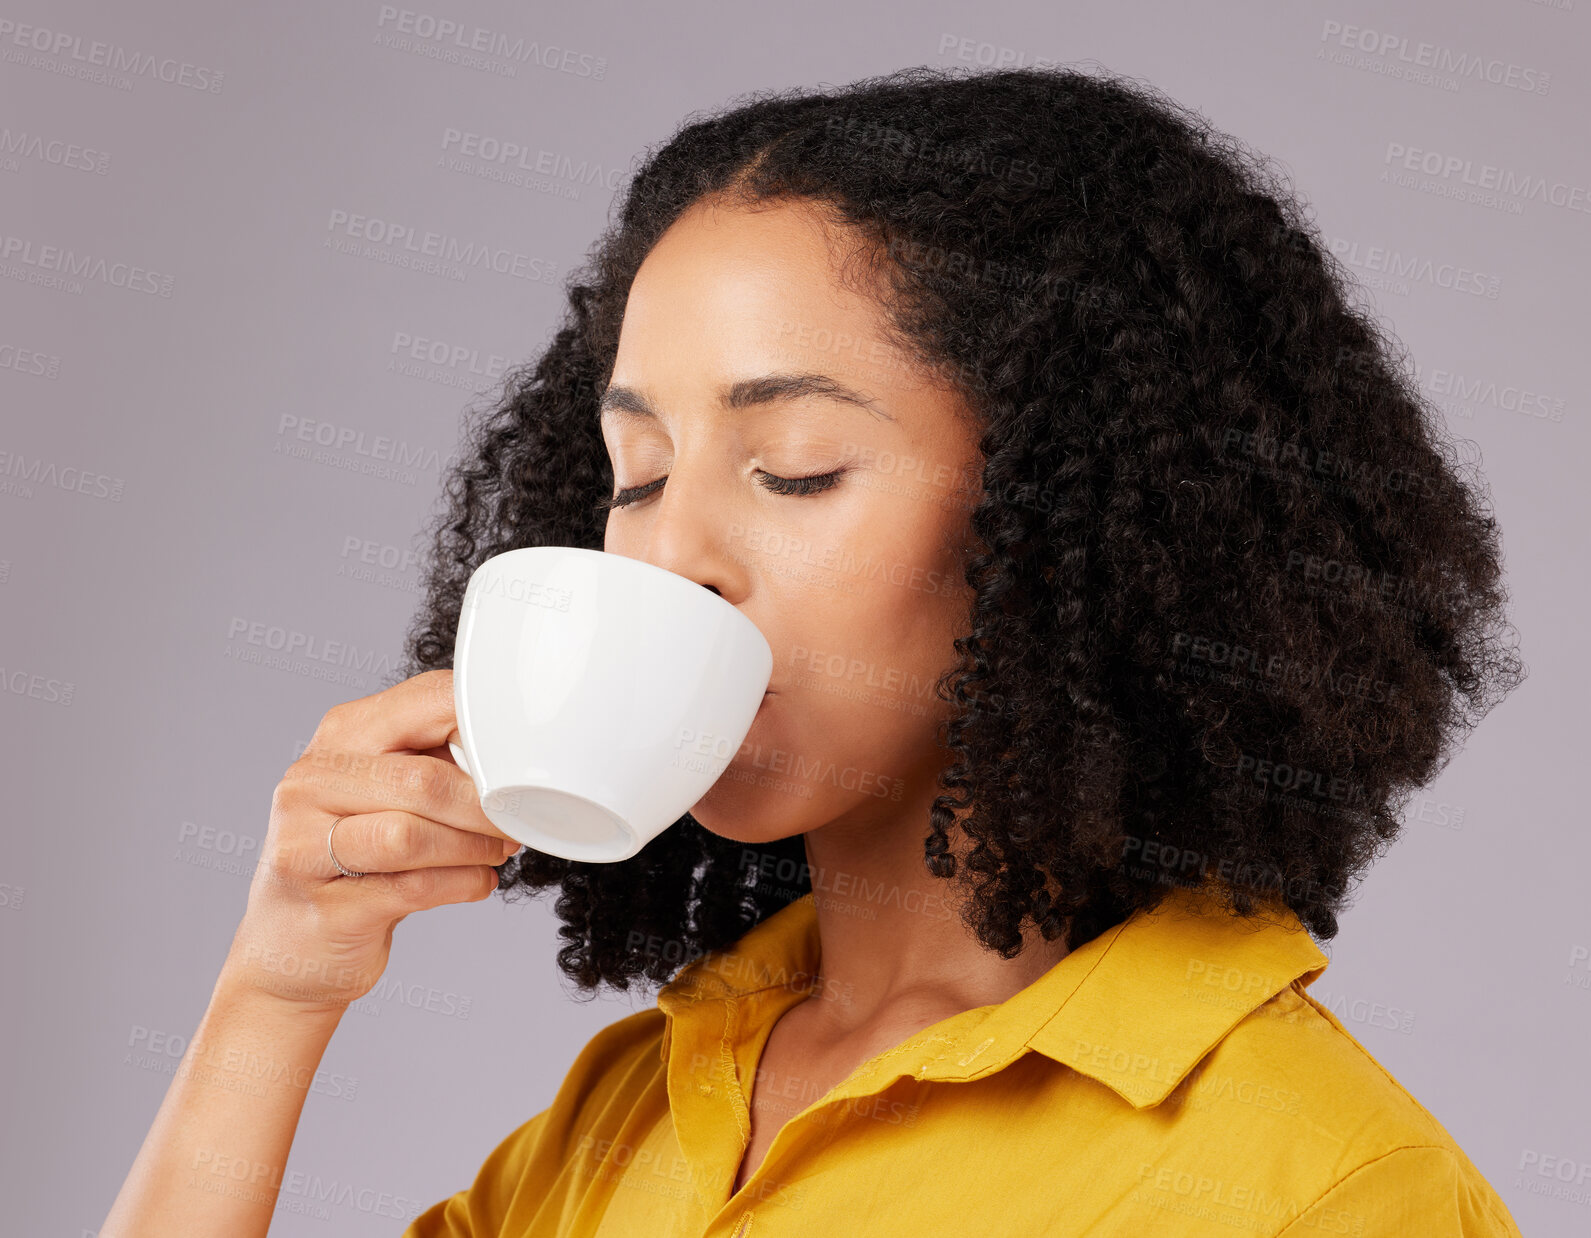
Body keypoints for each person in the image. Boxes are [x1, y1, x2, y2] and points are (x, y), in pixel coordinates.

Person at [102, 64, 1527, 1237]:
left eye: (791, 470)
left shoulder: (1318, 1186)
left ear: (1071, 516)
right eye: (638, 473)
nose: (671, 557)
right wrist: (272, 999)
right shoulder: (641, 1107)